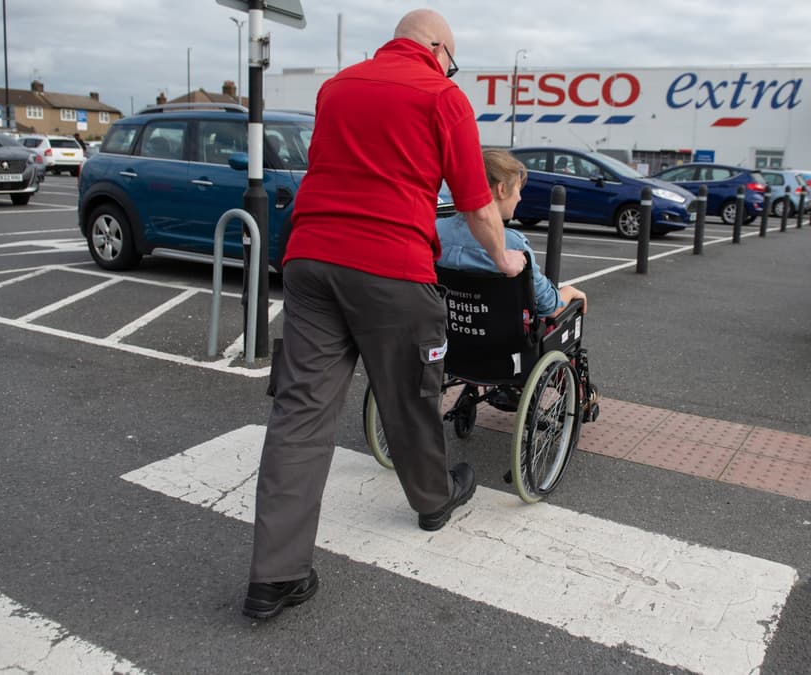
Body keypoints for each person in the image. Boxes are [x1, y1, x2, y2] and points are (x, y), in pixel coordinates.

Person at [243, 9, 526, 622]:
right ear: (439, 50)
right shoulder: (442, 96)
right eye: (453, 61)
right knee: (410, 397)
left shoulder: (337, 87)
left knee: (299, 412)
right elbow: (477, 204)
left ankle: (275, 575)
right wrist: (504, 259)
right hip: (391, 266)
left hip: (310, 260)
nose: (452, 70)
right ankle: (433, 498)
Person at [437, 148, 587, 318]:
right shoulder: (513, 244)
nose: (519, 198)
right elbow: (549, 307)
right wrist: (570, 291)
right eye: (518, 189)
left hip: (450, 327)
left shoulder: (436, 232)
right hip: (502, 332)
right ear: (501, 189)